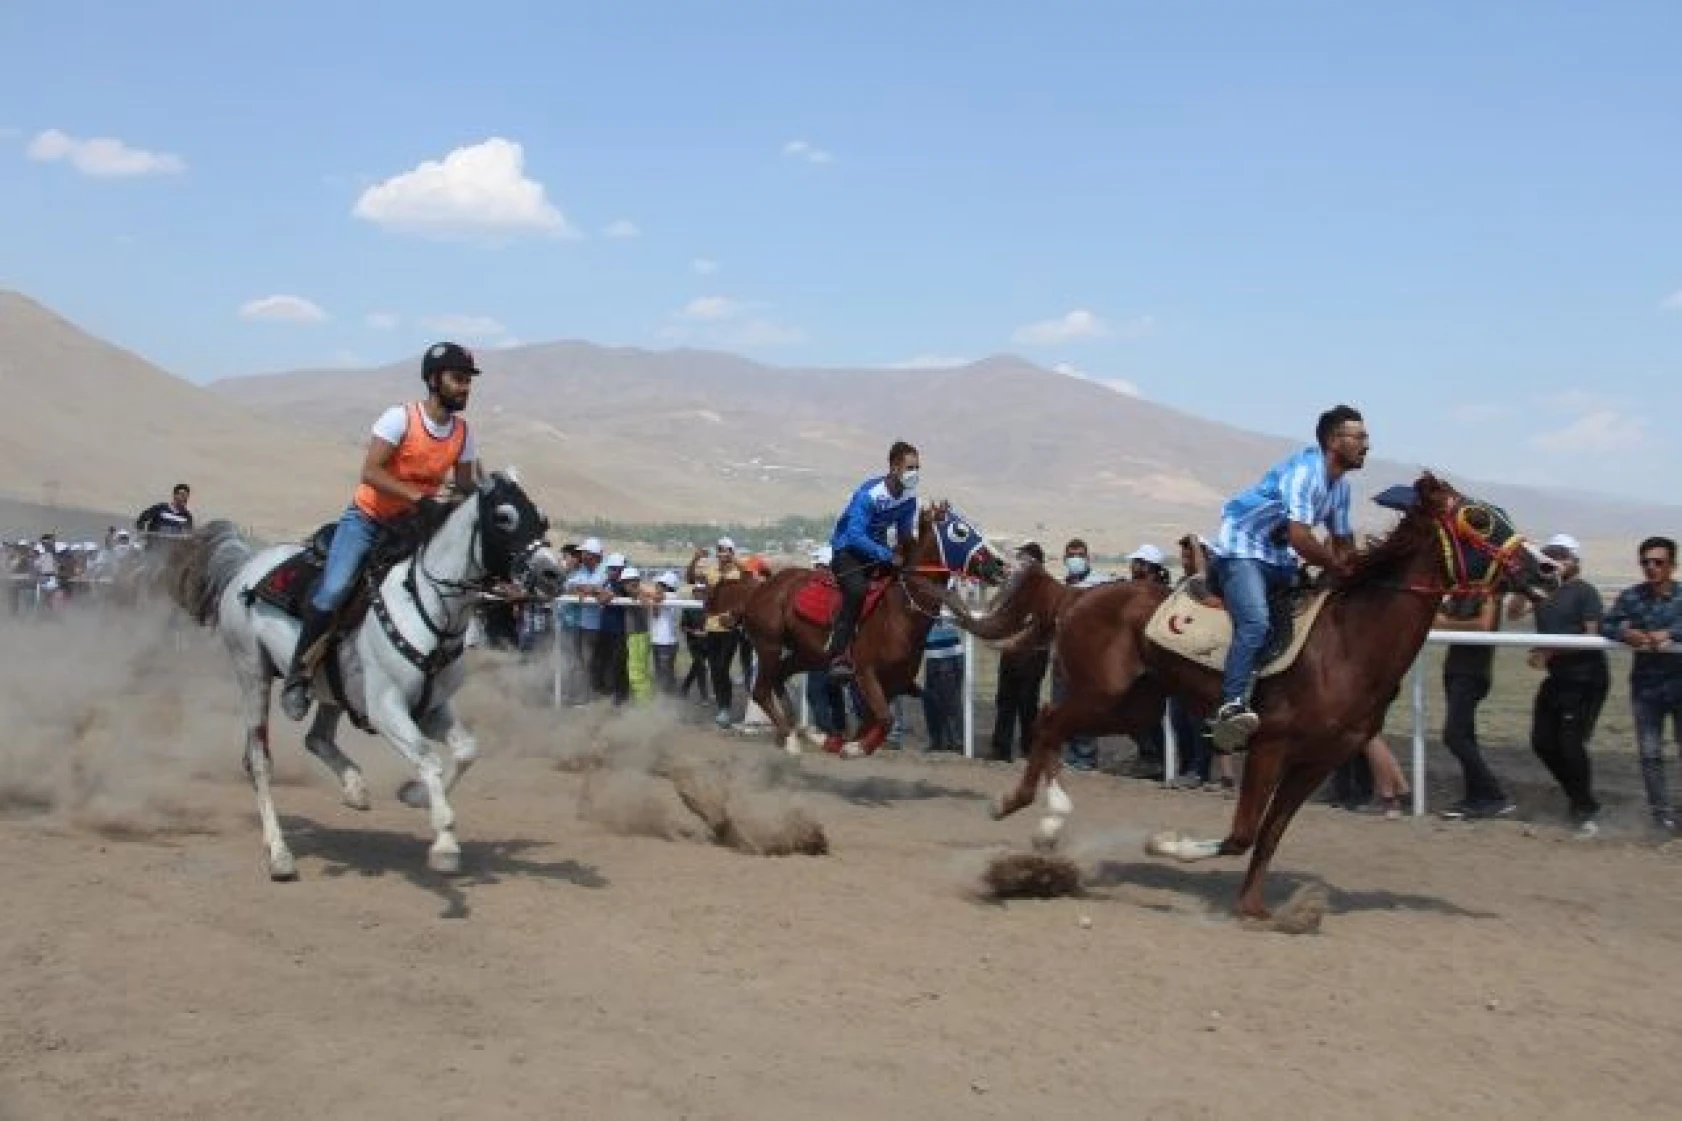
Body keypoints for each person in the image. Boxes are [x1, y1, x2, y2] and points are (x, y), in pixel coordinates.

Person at [279, 341, 481, 720]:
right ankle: (298, 676)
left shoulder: (463, 434)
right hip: (368, 521)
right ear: (435, 379)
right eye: (459, 379)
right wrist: (418, 497)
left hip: (414, 529)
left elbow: (466, 487)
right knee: (334, 589)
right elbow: (371, 472)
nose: (466, 387)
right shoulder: (400, 418)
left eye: (469, 381)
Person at [1206, 405, 1368, 751]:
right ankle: (1231, 705)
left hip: (1277, 558)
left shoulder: (1340, 488)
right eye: (1360, 437)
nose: (1366, 445)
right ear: (1333, 440)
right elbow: (1301, 539)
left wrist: (1356, 568)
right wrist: (1339, 566)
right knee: (1256, 623)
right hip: (1242, 548)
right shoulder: (1306, 475)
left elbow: (1342, 541)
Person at [1512, 533, 1608, 838]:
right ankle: (1582, 802)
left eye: (1561, 555)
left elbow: (1591, 638)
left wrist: (1549, 652)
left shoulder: (1585, 592)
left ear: (1574, 561)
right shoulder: (1543, 591)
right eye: (1550, 554)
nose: (1555, 560)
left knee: (1569, 744)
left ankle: (1584, 809)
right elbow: (1513, 614)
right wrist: (1523, 585)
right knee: (1542, 742)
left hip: (1585, 678)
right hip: (1558, 678)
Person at [1600, 536, 1682, 834]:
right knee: (1650, 754)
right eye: (1646, 562)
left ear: (1672, 565)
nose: (1651, 568)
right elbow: (1607, 623)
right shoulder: (1632, 597)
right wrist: (1627, 634)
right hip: (1647, 689)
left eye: (1658, 562)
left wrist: (1671, 633)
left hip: (1680, 684)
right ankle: (1661, 816)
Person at [824, 440, 920, 683]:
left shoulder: (909, 498)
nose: (915, 474)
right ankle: (838, 655)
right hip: (847, 551)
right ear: (894, 468)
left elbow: (905, 535)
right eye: (910, 468)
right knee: (857, 590)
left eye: (917, 468)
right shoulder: (868, 494)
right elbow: (855, 536)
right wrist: (888, 555)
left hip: (876, 551)